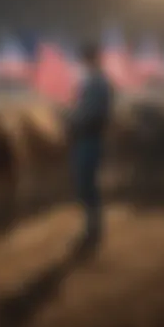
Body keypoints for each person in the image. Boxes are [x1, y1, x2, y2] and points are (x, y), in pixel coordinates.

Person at [68, 43, 114, 249]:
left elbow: (90, 115)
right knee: (86, 183)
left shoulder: (96, 84)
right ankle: (92, 226)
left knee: (87, 184)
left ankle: (93, 228)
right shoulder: (95, 82)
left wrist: (70, 119)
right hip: (88, 137)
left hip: (89, 137)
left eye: (85, 59)